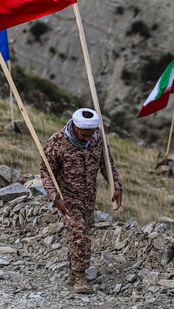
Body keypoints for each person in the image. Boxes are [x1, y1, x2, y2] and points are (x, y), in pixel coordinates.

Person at [39, 108, 123, 294]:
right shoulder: (57, 143)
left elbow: (107, 164)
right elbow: (46, 172)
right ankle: (80, 276)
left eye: (90, 134)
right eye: (84, 135)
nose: (87, 139)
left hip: (89, 198)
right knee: (79, 234)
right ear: (75, 126)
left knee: (82, 234)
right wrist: (56, 198)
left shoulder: (97, 138)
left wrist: (116, 186)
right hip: (67, 199)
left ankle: (71, 271)